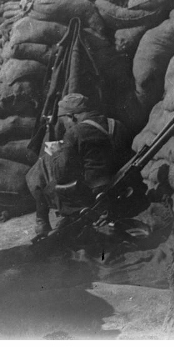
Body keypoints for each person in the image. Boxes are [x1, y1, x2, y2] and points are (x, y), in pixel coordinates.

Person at [26, 93, 132, 239]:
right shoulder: (117, 125)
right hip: (118, 183)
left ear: (72, 116)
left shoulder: (75, 133)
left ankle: (42, 221)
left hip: (91, 193)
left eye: (64, 122)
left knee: (43, 165)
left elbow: (62, 174)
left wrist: (57, 153)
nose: (66, 126)